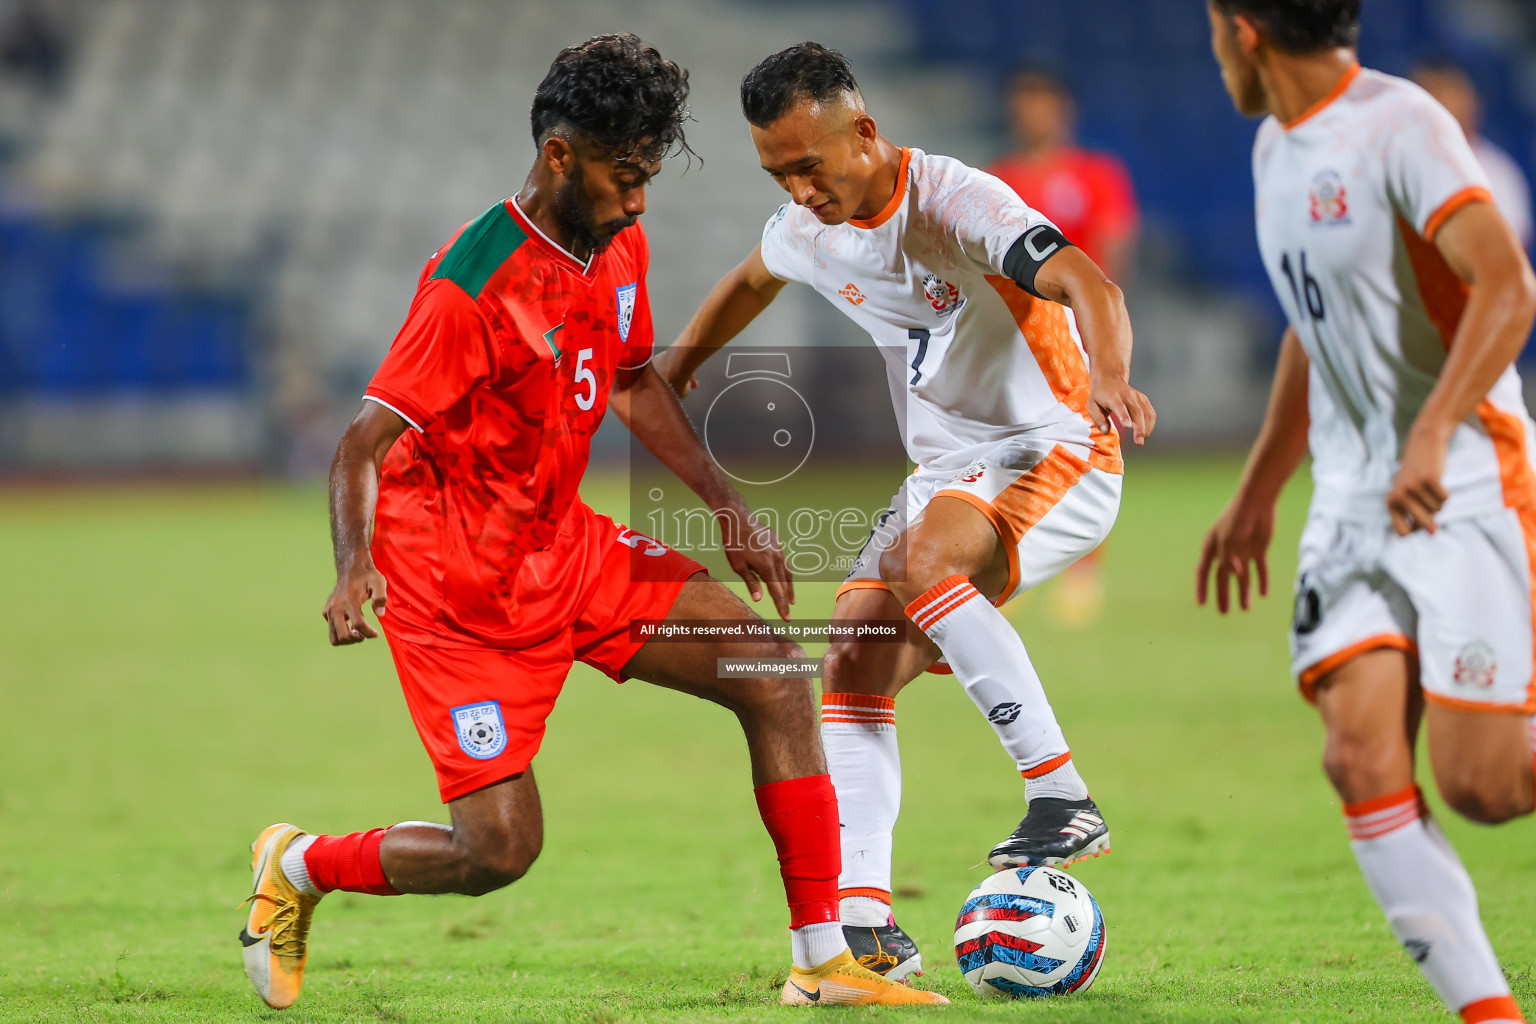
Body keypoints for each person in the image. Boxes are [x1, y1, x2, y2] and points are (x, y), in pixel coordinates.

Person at [238, 34, 945, 1010]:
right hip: (457, 589)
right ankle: (302, 864)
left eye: (650, 173)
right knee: (498, 851)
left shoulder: (617, 241)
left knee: (775, 673)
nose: (641, 198)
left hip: (564, 546)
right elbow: (361, 442)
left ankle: (823, 958)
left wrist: (728, 509)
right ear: (561, 155)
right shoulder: (471, 284)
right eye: (626, 174)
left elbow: (629, 378)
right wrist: (353, 567)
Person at [655, 42, 1154, 980]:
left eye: (809, 164)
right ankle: (868, 924)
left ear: (865, 131)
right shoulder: (808, 226)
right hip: (948, 470)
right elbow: (753, 279)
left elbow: (1093, 282)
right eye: (778, 171)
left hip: (1055, 448)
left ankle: (1061, 796)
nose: (798, 190)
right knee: (851, 648)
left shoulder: (959, 203)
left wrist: (1112, 380)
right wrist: (684, 360)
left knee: (927, 565)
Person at [1198, 3, 1536, 1023]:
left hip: (1464, 481)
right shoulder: (1275, 150)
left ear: (1245, 30)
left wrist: (1434, 428)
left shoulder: (1403, 124)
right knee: (1357, 754)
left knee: (1484, 787)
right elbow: (1317, 323)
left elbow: (1508, 287)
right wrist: (1261, 487)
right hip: (1350, 501)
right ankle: (1490, 1016)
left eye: (1214, 26)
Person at [987, 67, 1143, 628]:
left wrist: (1097, 321)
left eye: (1042, 102)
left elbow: (1116, 244)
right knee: (1010, 440)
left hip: (1079, 329)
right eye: (1023, 102)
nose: (1033, 114)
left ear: (1063, 109)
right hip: (1018, 334)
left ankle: (1083, 572)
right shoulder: (997, 179)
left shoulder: (1097, 174)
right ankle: (1013, 554)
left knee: (1089, 438)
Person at [1412, 58, 1533, 250]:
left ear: (1470, 100)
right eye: (1425, 90)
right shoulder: (1390, 162)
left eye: (1442, 89)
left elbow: (1510, 249)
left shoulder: (1497, 171)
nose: (1434, 101)